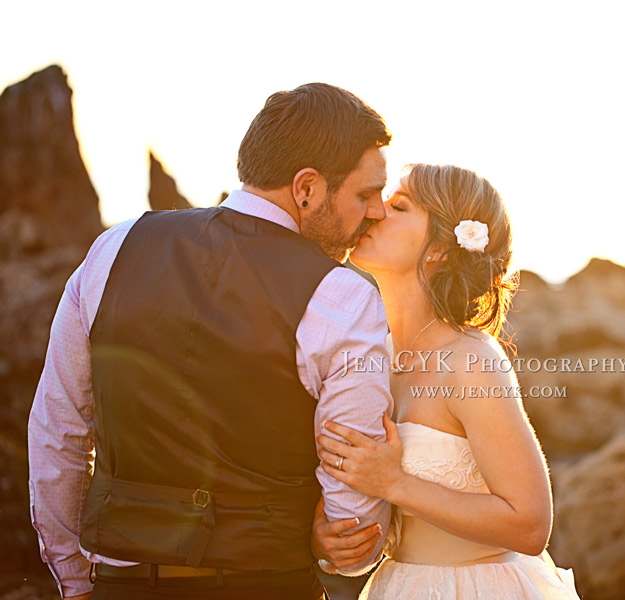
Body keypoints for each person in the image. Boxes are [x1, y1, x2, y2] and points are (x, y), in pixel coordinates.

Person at [28, 83, 394, 600]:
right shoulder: (343, 298)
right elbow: (352, 495)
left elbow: (57, 431)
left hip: (120, 586)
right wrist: (334, 544)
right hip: (266, 586)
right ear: (307, 188)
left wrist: (74, 580)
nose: (376, 211)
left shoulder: (115, 248)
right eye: (364, 194)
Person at [315, 164, 579, 598]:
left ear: (439, 246)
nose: (375, 211)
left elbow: (531, 524)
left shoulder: (469, 360)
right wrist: (327, 541)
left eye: (398, 205)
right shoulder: (372, 355)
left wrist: (395, 483)